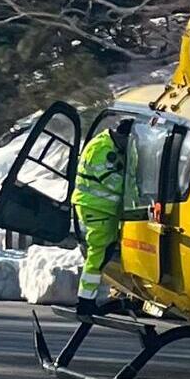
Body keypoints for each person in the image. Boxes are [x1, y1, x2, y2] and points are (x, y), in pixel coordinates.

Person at [72, 119, 132, 317]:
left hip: (100, 209)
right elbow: (114, 182)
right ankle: (86, 301)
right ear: (122, 137)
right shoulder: (102, 150)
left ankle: (88, 299)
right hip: (97, 209)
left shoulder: (106, 144)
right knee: (99, 253)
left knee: (103, 251)